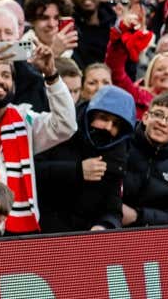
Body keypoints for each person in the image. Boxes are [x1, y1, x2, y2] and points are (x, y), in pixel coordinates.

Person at [0, 17, 78, 234]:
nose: (0, 80)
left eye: (6, 75)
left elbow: (66, 126)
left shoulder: (25, 119)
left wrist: (51, 75)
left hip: (20, 228)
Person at [35, 85, 136, 232]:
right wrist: (77, 170)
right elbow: (32, 172)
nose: (108, 127)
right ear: (91, 115)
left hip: (81, 237)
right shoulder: (61, 131)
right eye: (103, 118)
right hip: (39, 231)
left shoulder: (117, 155)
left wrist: (104, 225)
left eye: (116, 124)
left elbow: (112, 208)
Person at [120, 93, 168, 227]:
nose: (162, 122)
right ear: (145, 117)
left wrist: (138, 216)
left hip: (151, 239)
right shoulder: (121, 144)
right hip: (107, 229)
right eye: (158, 114)